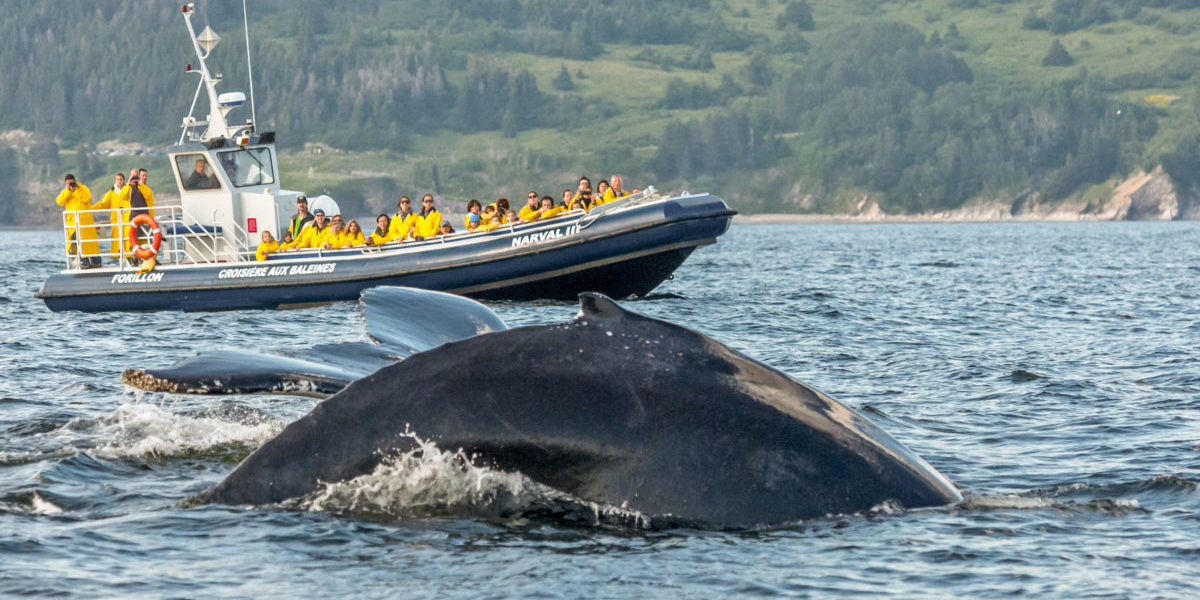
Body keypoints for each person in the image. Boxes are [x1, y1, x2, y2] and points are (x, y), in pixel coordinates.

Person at [55, 174, 101, 268]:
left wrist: (75, 190)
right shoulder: (65, 192)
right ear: (65, 184)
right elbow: (59, 201)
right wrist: (68, 191)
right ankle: (84, 262)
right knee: (77, 243)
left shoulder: (83, 188)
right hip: (73, 223)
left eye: (72, 182)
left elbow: (86, 198)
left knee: (91, 243)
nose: (71, 185)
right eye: (68, 183)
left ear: (75, 181)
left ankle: (96, 262)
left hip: (85, 222)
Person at [91, 172, 128, 258]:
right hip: (115, 220)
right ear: (115, 181)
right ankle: (119, 259)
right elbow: (103, 204)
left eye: (121, 179)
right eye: (117, 179)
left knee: (127, 239)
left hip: (126, 219)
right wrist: (91, 207)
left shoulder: (127, 190)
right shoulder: (111, 193)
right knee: (117, 240)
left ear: (124, 181)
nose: (119, 181)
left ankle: (129, 257)